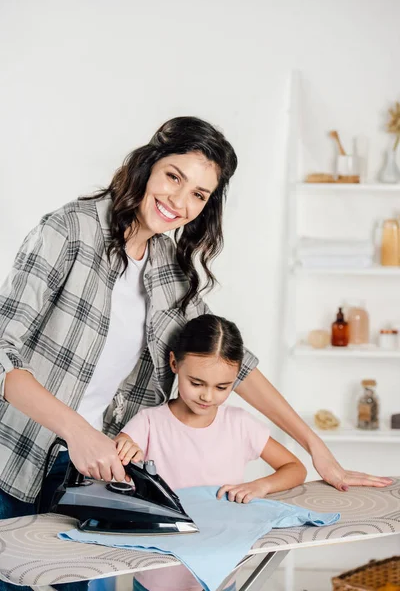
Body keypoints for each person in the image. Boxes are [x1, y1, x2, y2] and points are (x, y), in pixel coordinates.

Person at [0, 116, 391, 591]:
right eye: (174, 177)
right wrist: (78, 431)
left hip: (95, 471)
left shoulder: (167, 267)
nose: (180, 203)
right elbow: (4, 352)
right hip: (16, 456)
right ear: (147, 165)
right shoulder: (70, 231)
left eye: (199, 195)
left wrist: (317, 450)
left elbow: (233, 365)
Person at [115, 313, 307, 591]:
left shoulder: (240, 424)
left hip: (220, 578)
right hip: (156, 579)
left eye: (222, 387)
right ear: (174, 364)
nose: (208, 397)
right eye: (197, 383)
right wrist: (123, 451)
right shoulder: (148, 422)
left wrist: (261, 485)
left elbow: (295, 468)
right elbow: (117, 456)